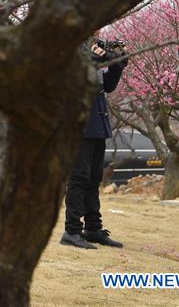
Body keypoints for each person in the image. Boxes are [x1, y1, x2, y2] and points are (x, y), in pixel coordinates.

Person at [60, 40, 128, 249]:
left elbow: (107, 85)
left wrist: (117, 63)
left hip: (97, 122)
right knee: (79, 178)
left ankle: (92, 229)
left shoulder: (92, 47)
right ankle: (72, 230)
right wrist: (92, 60)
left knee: (93, 179)